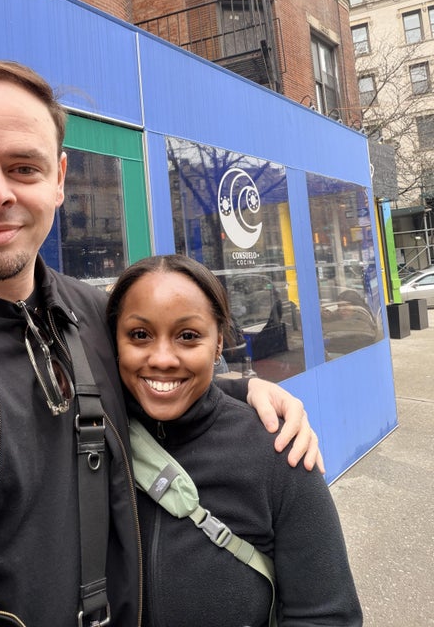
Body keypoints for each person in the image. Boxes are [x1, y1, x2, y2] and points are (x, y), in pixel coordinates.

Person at [0, 58, 320, 626]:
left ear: (59, 179)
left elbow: (155, 379)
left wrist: (242, 393)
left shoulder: (92, 314)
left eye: (23, 167)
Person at [107, 254, 363, 627]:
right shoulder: (93, 440)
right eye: (140, 335)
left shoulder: (279, 451)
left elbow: (327, 616)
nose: (162, 359)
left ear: (218, 345)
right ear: (114, 341)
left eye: (188, 336)